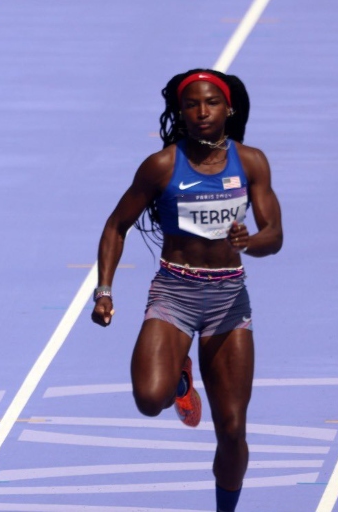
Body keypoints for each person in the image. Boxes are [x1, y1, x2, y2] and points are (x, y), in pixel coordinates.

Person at [91, 69, 282, 512]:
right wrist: (104, 290)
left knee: (232, 429)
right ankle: (179, 378)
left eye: (211, 103)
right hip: (175, 292)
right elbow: (115, 225)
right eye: (192, 105)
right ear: (181, 111)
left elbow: (275, 235)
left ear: (228, 108)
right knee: (149, 400)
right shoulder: (162, 165)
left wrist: (248, 242)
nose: (202, 113)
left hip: (229, 301)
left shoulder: (251, 162)